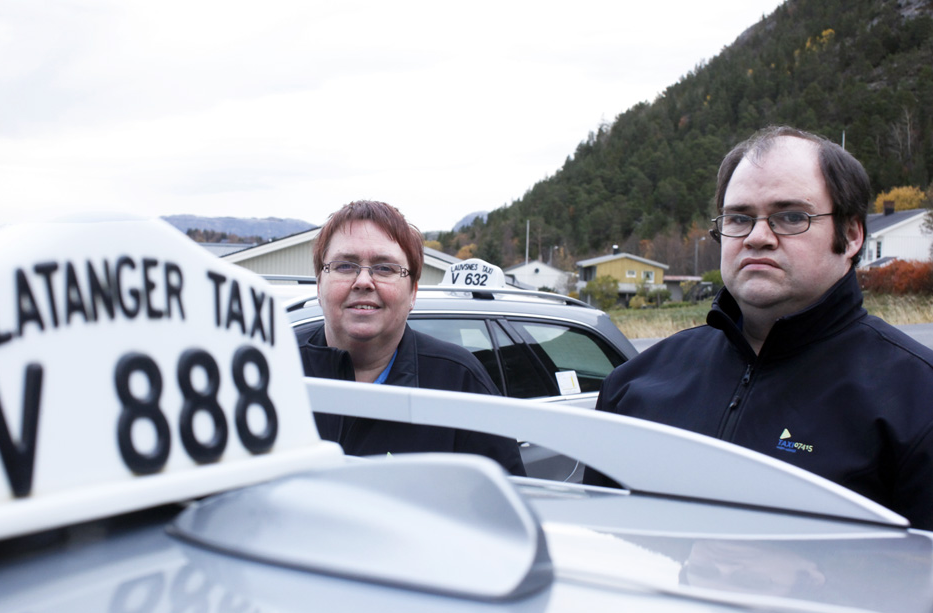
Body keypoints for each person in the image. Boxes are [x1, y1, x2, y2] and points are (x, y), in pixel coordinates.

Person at [586, 126, 933, 529]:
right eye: (739, 218)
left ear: (852, 235)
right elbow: (602, 547)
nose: (757, 237)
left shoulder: (918, 400)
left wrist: (817, 575)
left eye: (790, 217)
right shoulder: (635, 385)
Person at [296, 200, 526, 476]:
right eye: (345, 266)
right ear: (319, 284)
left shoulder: (459, 381)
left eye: (385, 268)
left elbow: (502, 508)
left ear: (413, 293)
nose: (364, 281)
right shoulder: (272, 371)